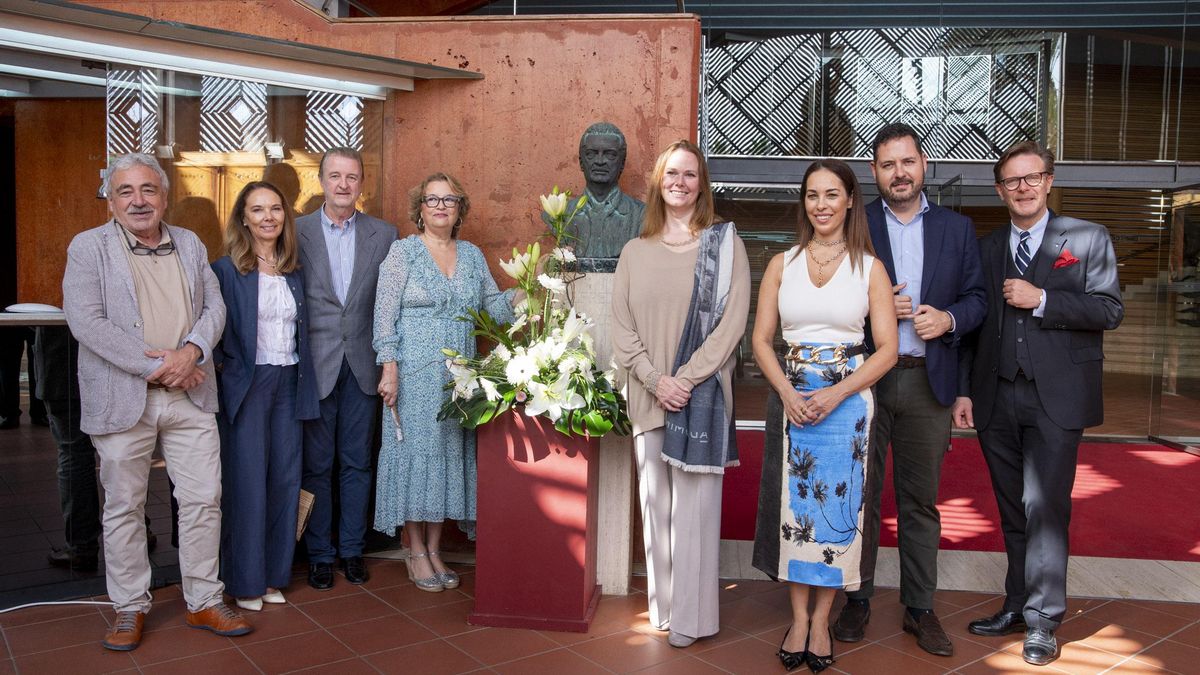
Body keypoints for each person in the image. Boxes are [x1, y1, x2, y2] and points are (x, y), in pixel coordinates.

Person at [62, 153, 250, 651]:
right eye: (125, 191)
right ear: (110, 200)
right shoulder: (88, 247)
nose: (138, 200)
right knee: (124, 505)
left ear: (164, 197)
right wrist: (160, 367)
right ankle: (129, 606)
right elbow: (86, 321)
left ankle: (204, 599)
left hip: (190, 395)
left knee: (203, 500)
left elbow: (215, 306)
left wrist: (191, 352)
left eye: (148, 190)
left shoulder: (189, 242)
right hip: (125, 398)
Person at [955, 141, 1123, 666]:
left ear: (1049, 181)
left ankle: (1044, 620)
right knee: (1012, 506)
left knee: (1045, 507)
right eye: (1012, 180)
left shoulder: (1088, 238)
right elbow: (974, 325)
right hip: (996, 394)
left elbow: (1109, 309)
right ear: (1000, 190)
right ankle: (1016, 603)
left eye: (1032, 177)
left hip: (1058, 397)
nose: (1023, 187)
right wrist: (964, 389)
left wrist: (1043, 298)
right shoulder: (986, 247)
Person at [832, 123, 986, 657]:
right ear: (873, 172)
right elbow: (829, 295)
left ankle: (920, 607)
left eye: (908, 162)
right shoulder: (856, 223)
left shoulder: (957, 228)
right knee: (860, 496)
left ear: (924, 166)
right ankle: (857, 598)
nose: (899, 173)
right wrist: (873, 305)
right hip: (865, 382)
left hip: (928, 380)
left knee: (920, 502)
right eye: (887, 164)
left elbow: (978, 300)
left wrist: (947, 318)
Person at [750, 159, 898, 673]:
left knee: (840, 511)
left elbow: (888, 350)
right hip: (792, 400)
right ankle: (798, 619)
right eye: (812, 195)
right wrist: (787, 392)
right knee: (797, 514)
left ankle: (821, 621)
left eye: (832, 194)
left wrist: (835, 395)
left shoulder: (870, 268)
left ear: (850, 200)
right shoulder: (781, 264)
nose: (821, 205)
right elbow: (760, 340)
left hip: (847, 405)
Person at [612, 139, 750, 649]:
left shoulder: (724, 247)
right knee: (657, 511)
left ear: (702, 185)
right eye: (672, 173)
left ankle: (694, 618)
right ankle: (664, 608)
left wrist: (685, 380)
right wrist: (656, 380)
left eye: (690, 174)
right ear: (658, 182)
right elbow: (622, 328)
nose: (680, 182)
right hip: (650, 398)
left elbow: (731, 325)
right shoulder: (635, 251)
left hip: (701, 398)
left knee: (695, 514)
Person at [373, 172, 515, 592]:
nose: (440, 206)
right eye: (432, 199)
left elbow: (494, 307)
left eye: (449, 200)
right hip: (413, 375)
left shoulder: (471, 255)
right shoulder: (403, 252)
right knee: (415, 458)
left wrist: (529, 288)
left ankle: (435, 549)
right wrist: (389, 367)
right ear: (420, 208)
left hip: (458, 379)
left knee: (446, 456)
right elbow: (384, 315)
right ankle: (415, 550)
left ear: (459, 209)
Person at [212, 181, 319, 611]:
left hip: (290, 381)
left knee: (285, 481)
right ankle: (244, 580)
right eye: (257, 210)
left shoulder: (294, 269)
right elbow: (211, 329)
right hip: (248, 386)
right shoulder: (225, 270)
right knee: (247, 483)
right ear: (243, 218)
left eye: (275, 208)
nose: (268, 217)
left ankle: (274, 575)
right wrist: (225, 373)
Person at [297, 147, 397, 589]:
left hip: (362, 365)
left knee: (357, 463)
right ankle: (319, 554)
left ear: (361, 184)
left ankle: (353, 550)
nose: (343, 184)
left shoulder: (385, 234)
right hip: (314, 367)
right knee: (315, 466)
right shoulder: (295, 231)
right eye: (335, 176)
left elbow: (390, 303)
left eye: (351, 177)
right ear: (321, 181)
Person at [560, 122, 646, 258]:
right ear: (581, 162)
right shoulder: (561, 215)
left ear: (622, 163)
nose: (600, 161)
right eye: (591, 154)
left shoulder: (641, 214)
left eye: (610, 154)